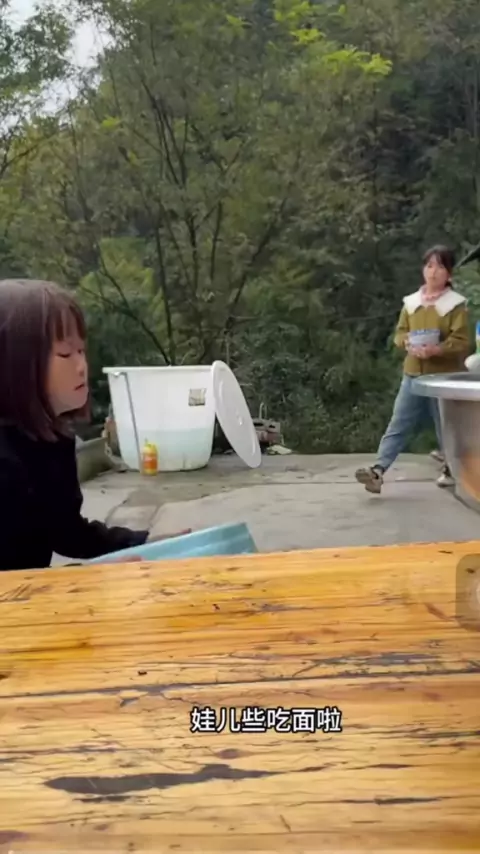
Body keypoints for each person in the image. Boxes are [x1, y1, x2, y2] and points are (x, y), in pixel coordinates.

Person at [0, 278, 188, 571]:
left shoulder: (54, 439)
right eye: (65, 353)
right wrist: (95, 578)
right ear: (15, 364)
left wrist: (147, 543)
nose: (81, 366)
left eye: (81, 351)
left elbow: (66, 532)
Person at [355, 245, 470, 495]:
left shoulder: (456, 305)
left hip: (442, 379)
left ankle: (452, 470)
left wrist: (437, 349)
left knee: (446, 428)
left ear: (449, 273)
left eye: (440, 266)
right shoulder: (411, 303)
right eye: (429, 265)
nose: (433, 272)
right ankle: (378, 471)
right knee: (399, 423)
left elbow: (462, 341)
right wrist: (406, 342)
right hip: (413, 374)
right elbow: (399, 333)